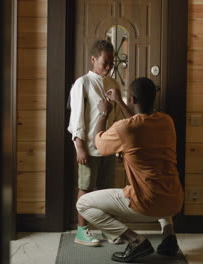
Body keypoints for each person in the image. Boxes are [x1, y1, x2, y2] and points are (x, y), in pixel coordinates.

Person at [76, 77, 184, 262]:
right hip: (174, 200)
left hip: (147, 204)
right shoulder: (167, 122)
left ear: (132, 99)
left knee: (83, 204)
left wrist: (103, 113)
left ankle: (136, 241)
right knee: (159, 181)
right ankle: (169, 238)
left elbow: (99, 142)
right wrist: (119, 102)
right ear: (154, 97)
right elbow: (138, 124)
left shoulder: (125, 128)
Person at [67, 40, 131, 246]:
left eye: (112, 63)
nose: (109, 67)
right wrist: (79, 146)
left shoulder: (113, 84)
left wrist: (119, 145)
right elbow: (76, 117)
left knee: (106, 190)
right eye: (105, 62)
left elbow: (118, 119)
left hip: (108, 147)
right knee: (85, 188)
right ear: (93, 59)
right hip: (88, 148)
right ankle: (81, 231)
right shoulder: (82, 83)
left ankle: (110, 231)